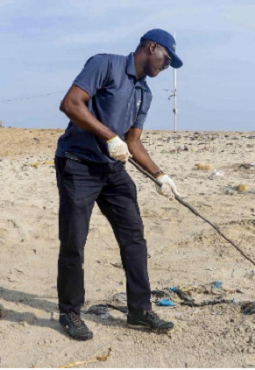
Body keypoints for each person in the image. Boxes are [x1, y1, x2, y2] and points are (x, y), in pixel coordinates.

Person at [54, 29, 183, 341]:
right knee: (74, 240)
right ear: (151, 47)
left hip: (113, 171)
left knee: (134, 238)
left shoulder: (145, 94)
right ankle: (70, 311)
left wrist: (160, 176)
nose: (166, 66)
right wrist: (109, 136)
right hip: (78, 163)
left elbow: (133, 143)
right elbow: (71, 103)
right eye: (166, 58)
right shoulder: (106, 65)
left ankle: (139, 309)